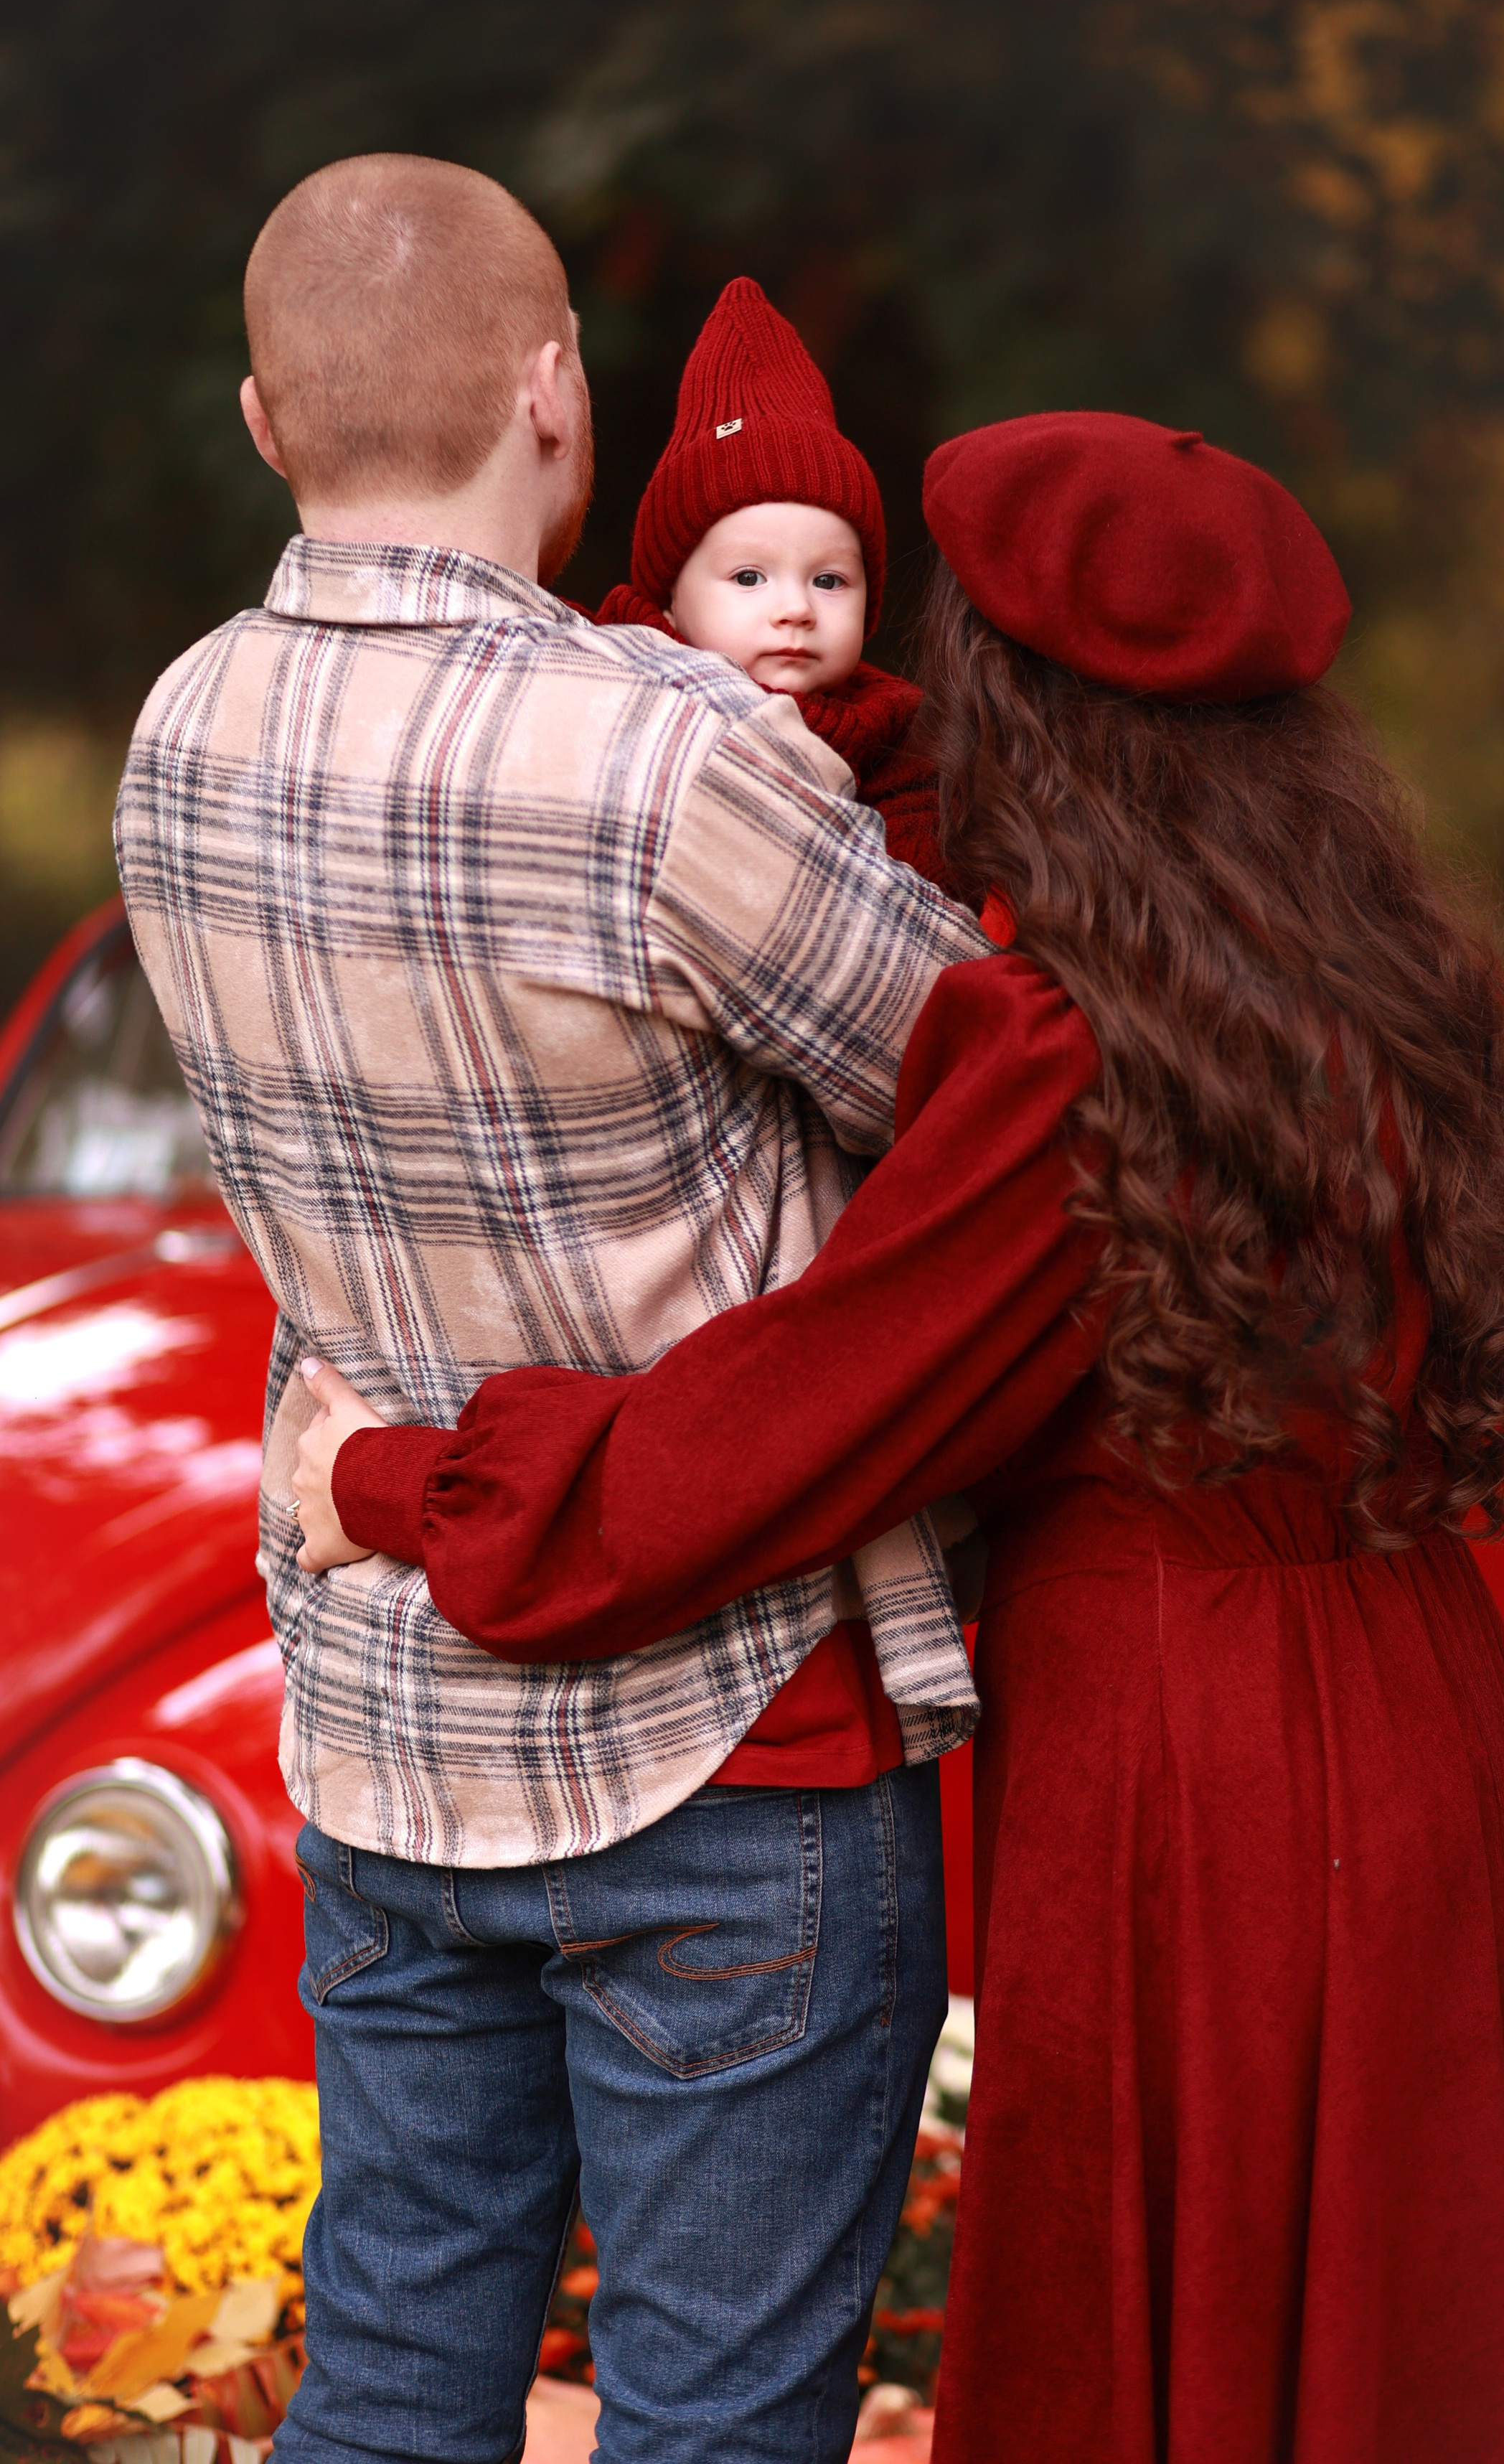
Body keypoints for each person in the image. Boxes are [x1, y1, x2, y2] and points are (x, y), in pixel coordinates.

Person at [296, 408, 1504, 2464]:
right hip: (1427, 1733)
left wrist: (394, 1477)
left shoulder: (1072, 1048)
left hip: (1189, 1786)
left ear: (1002, 695)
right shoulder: (1364, 978)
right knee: (1380, 2366)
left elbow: (798, 1426)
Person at [113, 152, 990, 2464]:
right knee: (711, 2424)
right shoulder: (665, 753)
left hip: (393, 1716)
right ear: (555, 400)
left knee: (393, 2393)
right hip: (728, 1724)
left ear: (260, 418)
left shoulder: (179, 736)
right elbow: (981, 1097)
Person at [591, 274, 951, 886]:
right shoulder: (610, 689)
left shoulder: (902, 750)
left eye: (831, 581)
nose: (796, 608)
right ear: (669, 601)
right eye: (750, 576)